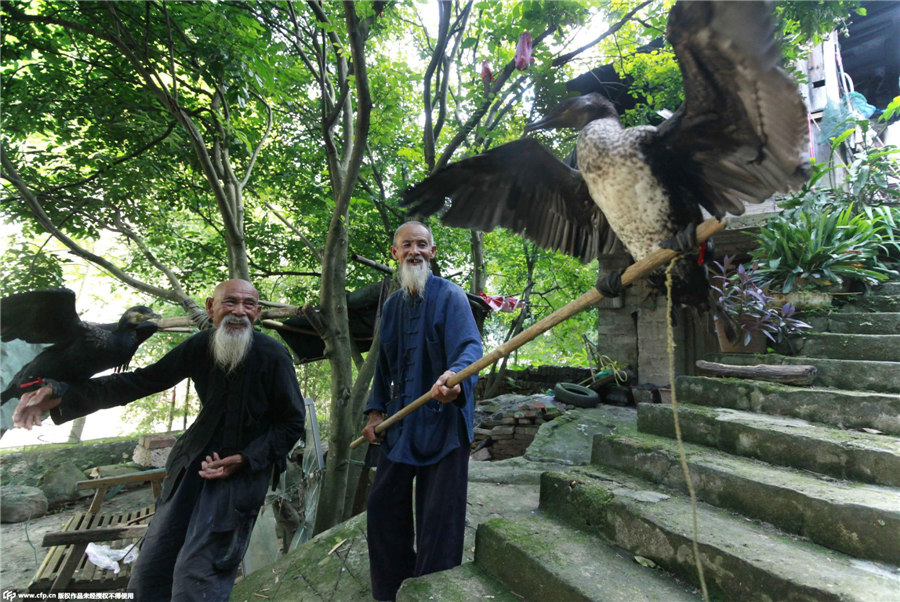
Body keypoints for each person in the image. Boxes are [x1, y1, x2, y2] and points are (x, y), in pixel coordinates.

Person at [13, 279, 305, 602]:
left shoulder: (274, 355)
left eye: (249, 305)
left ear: (258, 312)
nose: (239, 311)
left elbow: (292, 422)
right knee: (151, 572)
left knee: (196, 579)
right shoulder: (200, 347)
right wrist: (62, 391)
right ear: (211, 307)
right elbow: (140, 381)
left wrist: (246, 459)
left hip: (240, 478)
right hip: (189, 470)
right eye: (230, 302)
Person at [361, 221, 483, 601]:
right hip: (401, 426)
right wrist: (375, 412)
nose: (414, 251)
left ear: (432, 252)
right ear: (395, 254)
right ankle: (393, 588)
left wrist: (455, 378)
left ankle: (432, 591)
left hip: (444, 424)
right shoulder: (393, 305)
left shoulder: (452, 296)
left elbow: (470, 348)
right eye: (406, 245)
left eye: (422, 245)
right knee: (382, 507)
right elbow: (383, 364)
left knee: (439, 520)